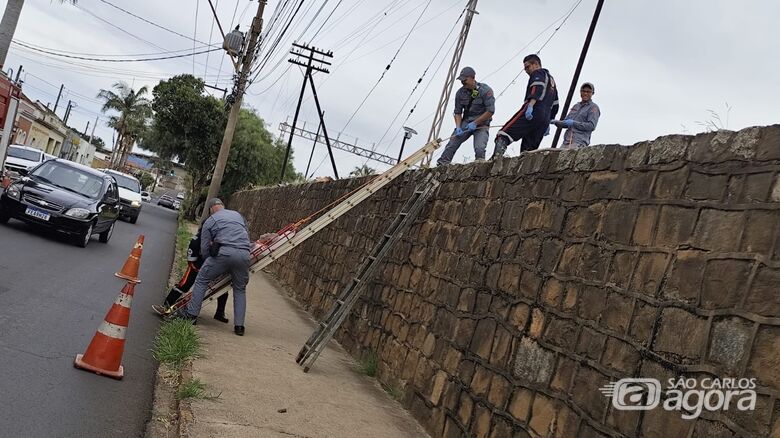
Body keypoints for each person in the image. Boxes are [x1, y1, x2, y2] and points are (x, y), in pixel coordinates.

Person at [176, 198, 252, 336]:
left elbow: (204, 249)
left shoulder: (211, 221)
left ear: (211, 209)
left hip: (223, 253)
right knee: (240, 289)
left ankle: (191, 315)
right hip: (244, 254)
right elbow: (246, 235)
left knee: (202, 280)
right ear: (223, 206)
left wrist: (210, 264)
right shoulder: (238, 216)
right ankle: (239, 327)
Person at [151, 223, 230, 323]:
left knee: (221, 287)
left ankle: (219, 313)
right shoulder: (198, 238)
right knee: (184, 284)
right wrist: (195, 267)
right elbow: (191, 256)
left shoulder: (220, 237)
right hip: (197, 265)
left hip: (212, 267)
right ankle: (166, 305)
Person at [492, 54, 559, 158]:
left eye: (527, 67)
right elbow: (555, 103)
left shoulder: (538, 72)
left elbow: (537, 87)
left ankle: (495, 161)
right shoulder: (552, 80)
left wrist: (530, 105)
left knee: (503, 134)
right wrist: (549, 120)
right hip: (544, 119)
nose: (526, 70)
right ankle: (522, 170)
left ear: (536, 64)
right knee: (529, 150)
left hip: (533, 110)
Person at [436, 66, 495, 166]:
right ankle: (441, 165)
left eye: (465, 80)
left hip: (482, 124)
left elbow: (490, 111)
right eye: (461, 80)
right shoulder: (460, 93)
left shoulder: (485, 91)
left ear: (472, 77)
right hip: (466, 123)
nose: (463, 82)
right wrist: (458, 127)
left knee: (480, 148)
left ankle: (479, 168)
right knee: (452, 143)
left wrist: (476, 123)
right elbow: (458, 112)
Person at [551, 82, 601, 148]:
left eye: (588, 92)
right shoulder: (576, 106)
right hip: (566, 142)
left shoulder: (593, 108)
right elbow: (566, 123)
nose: (585, 93)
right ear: (580, 92)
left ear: (592, 93)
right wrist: (555, 122)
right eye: (583, 91)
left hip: (579, 142)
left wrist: (574, 123)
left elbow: (591, 126)